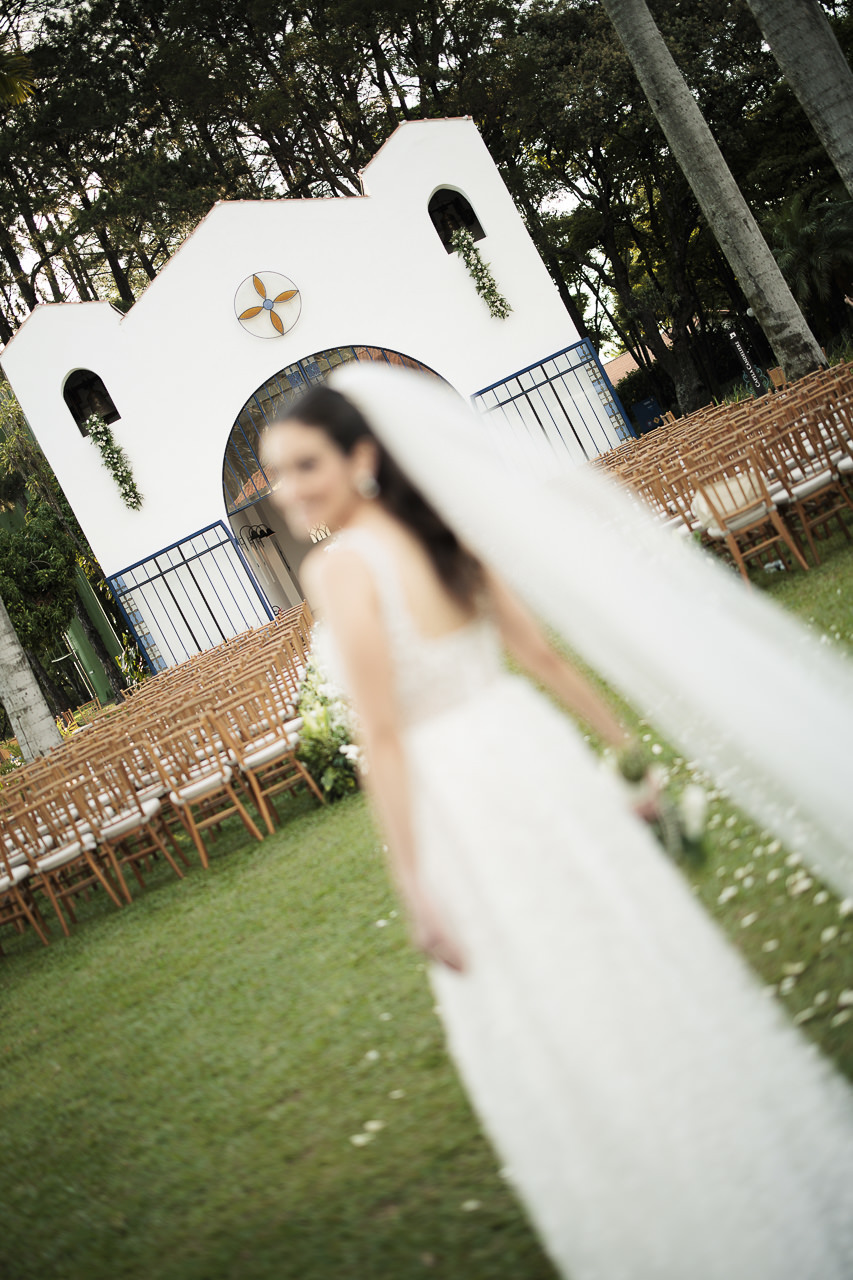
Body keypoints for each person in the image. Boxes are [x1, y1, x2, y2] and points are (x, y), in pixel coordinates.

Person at [261, 367, 853, 1280]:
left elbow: (381, 736)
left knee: (552, 995)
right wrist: (627, 757)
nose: (291, 489)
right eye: (277, 474)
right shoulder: (445, 532)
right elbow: (538, 658)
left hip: (461, 789)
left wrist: (415, 888)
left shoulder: (337, 568)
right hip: (531, 753)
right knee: (625, 950)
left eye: (306, 464)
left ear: (362, 456)